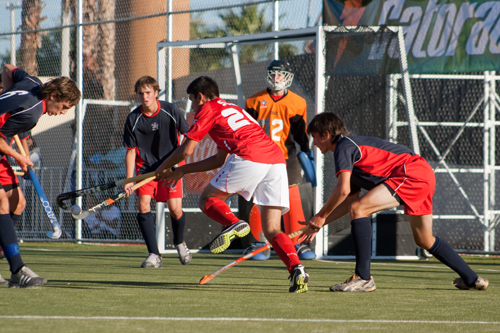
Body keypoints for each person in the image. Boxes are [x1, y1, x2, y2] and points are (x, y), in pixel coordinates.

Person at [302, 112, 489, 292]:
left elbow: (342, 191)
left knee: (359, 209)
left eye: (316, 137)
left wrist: (320, 215)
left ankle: (363, 278)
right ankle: (472, 279)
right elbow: (348, 198)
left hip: (411, 173)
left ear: (327, 135)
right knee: (424, 240)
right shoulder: (351, 151)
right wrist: (321, 222)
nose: (315, 143)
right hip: (423, 173)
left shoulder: (343, 146)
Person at [155, 76, 310, 293]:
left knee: (208, 199)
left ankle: (232, 223)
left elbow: (186, 150)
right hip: (275, 160)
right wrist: (181, 171)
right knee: (273, 229)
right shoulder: (231, 109)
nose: (191, 107)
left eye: (191, 101)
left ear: (200, 97)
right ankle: (296, 269)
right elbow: (219, 160)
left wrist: (161, 168)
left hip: (249, 155)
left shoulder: (207, 108)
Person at [0, 64, 81, 288]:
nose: (63, 112)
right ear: (53, 95)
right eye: (64, 106)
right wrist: (19, 157)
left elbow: (7, 69)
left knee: (18, 202)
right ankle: (18, 269)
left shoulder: (33, 82)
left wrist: (6, 96)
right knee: (1, 203)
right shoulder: (32, 112)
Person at [244, 59, 315, 260]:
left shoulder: (297, 102)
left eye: (280, 74)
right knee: (258, 198)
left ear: (287, 77)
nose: (276, 78)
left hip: (287, 156)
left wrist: (307, 152)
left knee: (293, 197)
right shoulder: (253, 101)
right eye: (273, 74)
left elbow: (301, 133)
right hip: (260, 158)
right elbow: (246, 132)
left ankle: (299, 243)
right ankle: (259, 242)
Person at [123, 75, 191, 268]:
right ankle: (154, 254)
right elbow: (130, 152)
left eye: (148, 93)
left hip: (170, 168)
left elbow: (188, 136)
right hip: (145, 169)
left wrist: (178, 161)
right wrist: (130, 179)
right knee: (143, 205)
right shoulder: (133, 118)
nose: (144, 97)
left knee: (175, 208)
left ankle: (179, 242)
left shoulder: (170, 110)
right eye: (141, 93)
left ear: (155, 93)